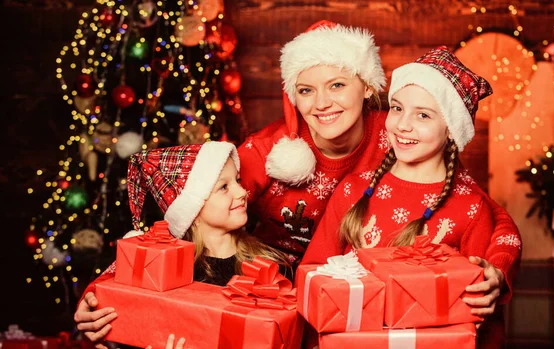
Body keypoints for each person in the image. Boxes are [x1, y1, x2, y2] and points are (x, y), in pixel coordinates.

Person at [77, 21, 520, 345]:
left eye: (337, 85)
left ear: (366, 87)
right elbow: (184, 212)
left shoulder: (402, 131)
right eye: (306, 90)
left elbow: (481, 208)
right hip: (266, 296)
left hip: (365, 312)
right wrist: (104, 290)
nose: (322, 104)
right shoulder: (267, 150)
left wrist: (495, 268)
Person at [302, 46, 522, 348]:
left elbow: (477, 319)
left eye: (423, 115)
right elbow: (313, 275)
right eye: (397, 108)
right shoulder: (354, 189)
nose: (403, 124)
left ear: (451, 131)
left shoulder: (470, 208)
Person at [74, 142, 288, 348]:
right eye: (224, 187)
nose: (242, 192)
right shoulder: (164, 272)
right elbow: (121, 309)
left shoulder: (270, 268)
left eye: (238, 181)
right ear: (192, 211)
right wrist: (92, 303)